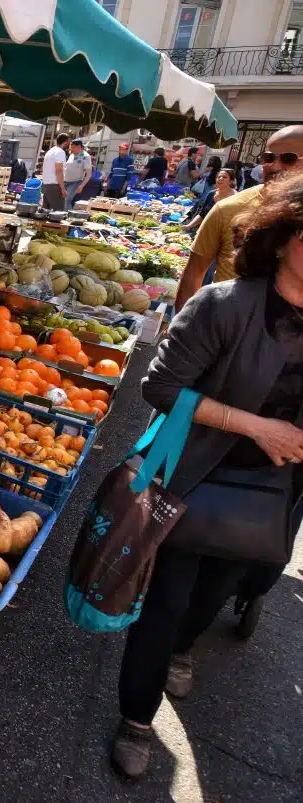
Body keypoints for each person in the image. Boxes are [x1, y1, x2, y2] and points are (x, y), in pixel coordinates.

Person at [110, 171, 303, 780]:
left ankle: (187, 646)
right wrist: (256, 427)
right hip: (195, 478)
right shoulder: (224, 305)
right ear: (283, 238)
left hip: (275, 493)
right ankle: (136, 719)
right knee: (164, 600)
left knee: (217, 593)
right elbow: (160, 386)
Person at [177, 125, 303, 309]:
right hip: (224, 328)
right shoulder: (228, 209)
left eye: (288, 159)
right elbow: (193, 274)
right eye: (268, 158)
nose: (274, 166)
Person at [182, 168, 236, 234]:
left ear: (231, 181)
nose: (220, 178)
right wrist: (189, 226)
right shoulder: (211, 194)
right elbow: (202, 214)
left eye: (224, 177)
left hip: (222, 235)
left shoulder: (235, 197)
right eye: (219, 177)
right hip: (206, 231)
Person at [41, 133, 71, 210]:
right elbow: (59, 171)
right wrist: (63, 188)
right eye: (69, 142)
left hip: (46, 185)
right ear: (66, 142)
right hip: (54, 186)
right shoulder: (60, 152)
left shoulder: (50, 151)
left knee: (45, 212)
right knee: (57, 214)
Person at [63, 139, 92, 210]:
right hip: (65, 181)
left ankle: (68, 217)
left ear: (79, 147)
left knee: (67, 201)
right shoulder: (72, 155)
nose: (71, 150)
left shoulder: (86, 156)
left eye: (73, 147)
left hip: (75, 182)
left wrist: (81, 186)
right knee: (62, 200)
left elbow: (89, 174)